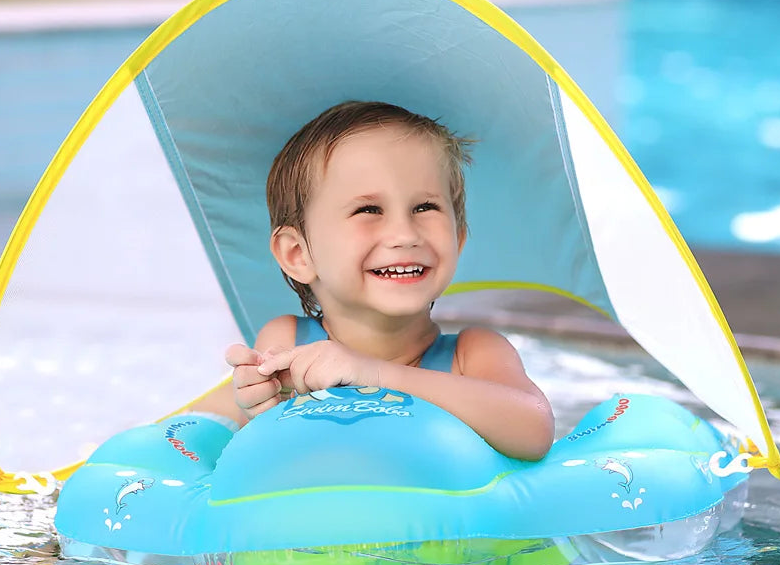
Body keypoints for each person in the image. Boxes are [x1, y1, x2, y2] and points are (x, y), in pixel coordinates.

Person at [193, 100, 554, 461]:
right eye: (368, 210)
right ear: (298, 255)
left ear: (458, 238)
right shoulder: (288, 342)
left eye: (425, 208)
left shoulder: (473, 353)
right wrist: (257, 402)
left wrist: (372, 374)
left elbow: (533, 430)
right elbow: (269, 455)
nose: (404, 234)